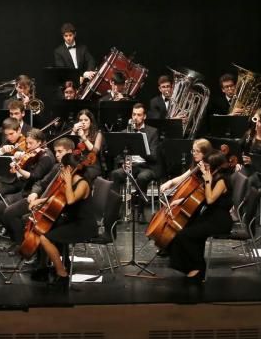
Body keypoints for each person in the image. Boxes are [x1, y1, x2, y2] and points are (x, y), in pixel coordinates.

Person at [21, 150, 94, 286]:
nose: (60, 169)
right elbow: (60, 199)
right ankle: (44, 266)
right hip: (71, 220)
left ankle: (62, 273)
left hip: (83, 225)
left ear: (69, 168)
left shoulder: (82, 184)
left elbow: (70, 200)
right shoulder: (71, 180)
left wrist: (66, 181)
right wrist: (40, 201)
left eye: (62, 167)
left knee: (45, 237)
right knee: (42, 228)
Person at [165, 151, 234, 280]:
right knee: (182, 231)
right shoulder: (212, 175)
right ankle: (191, 267)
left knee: (185, 236)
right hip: (209, 216)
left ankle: (198, 268)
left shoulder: (222, 180)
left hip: (220, 221)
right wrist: (182, 201)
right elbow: (201, 195)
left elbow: (210, 199)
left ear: (215, 166)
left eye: (206, 165)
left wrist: (208, 181)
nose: (203, 167)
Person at [105, 104, 161, 237]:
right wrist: (122, 162)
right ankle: (115, 212)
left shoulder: (152, 132)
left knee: (142, 178)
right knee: (115, 174)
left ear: (144, 116)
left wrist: (140, 147)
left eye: (139, 115)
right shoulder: (125, 132)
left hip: (146, 166)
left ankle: (140, 212)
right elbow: (118, 154)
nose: (136, 117)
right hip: (130, 165)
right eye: (134, 114)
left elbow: (153, 156)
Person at [71, 109, 104, 182]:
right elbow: (69, 146)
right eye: (80, 120)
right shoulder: (76, 133)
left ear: (91, 122)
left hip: (92, 165)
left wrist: (83, 137)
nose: (83, 122)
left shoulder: (97, 134)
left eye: (86, 120)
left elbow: (95, 151)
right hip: (77, 164)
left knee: (84, 174)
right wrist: (73, 131)